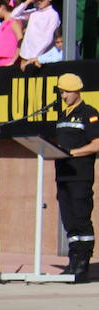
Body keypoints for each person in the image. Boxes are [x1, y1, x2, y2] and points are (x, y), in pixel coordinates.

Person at [52, 72, 99, 280]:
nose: (64, 96)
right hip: (63, 176)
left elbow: (97, 144)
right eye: (61, 92)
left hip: (80, 176)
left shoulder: (89, 113)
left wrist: (73, 153)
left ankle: (83, 263)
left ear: (77, 91)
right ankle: (73, 260)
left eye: (67, 92)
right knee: (69, 220)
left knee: (81, 218)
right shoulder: (63, 116)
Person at [13, 0, 60, 71]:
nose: (39, 1)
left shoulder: (53, 14)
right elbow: (14, 15)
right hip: (25, 55)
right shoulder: (34, 12)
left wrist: (36, 57)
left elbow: (49, 38)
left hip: (39, 57)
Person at [0, 0, 23, 68]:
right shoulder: (3, 23)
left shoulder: (14, 22)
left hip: (9, 61)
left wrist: (14, 60)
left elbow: (20, 41)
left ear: (2, 7)